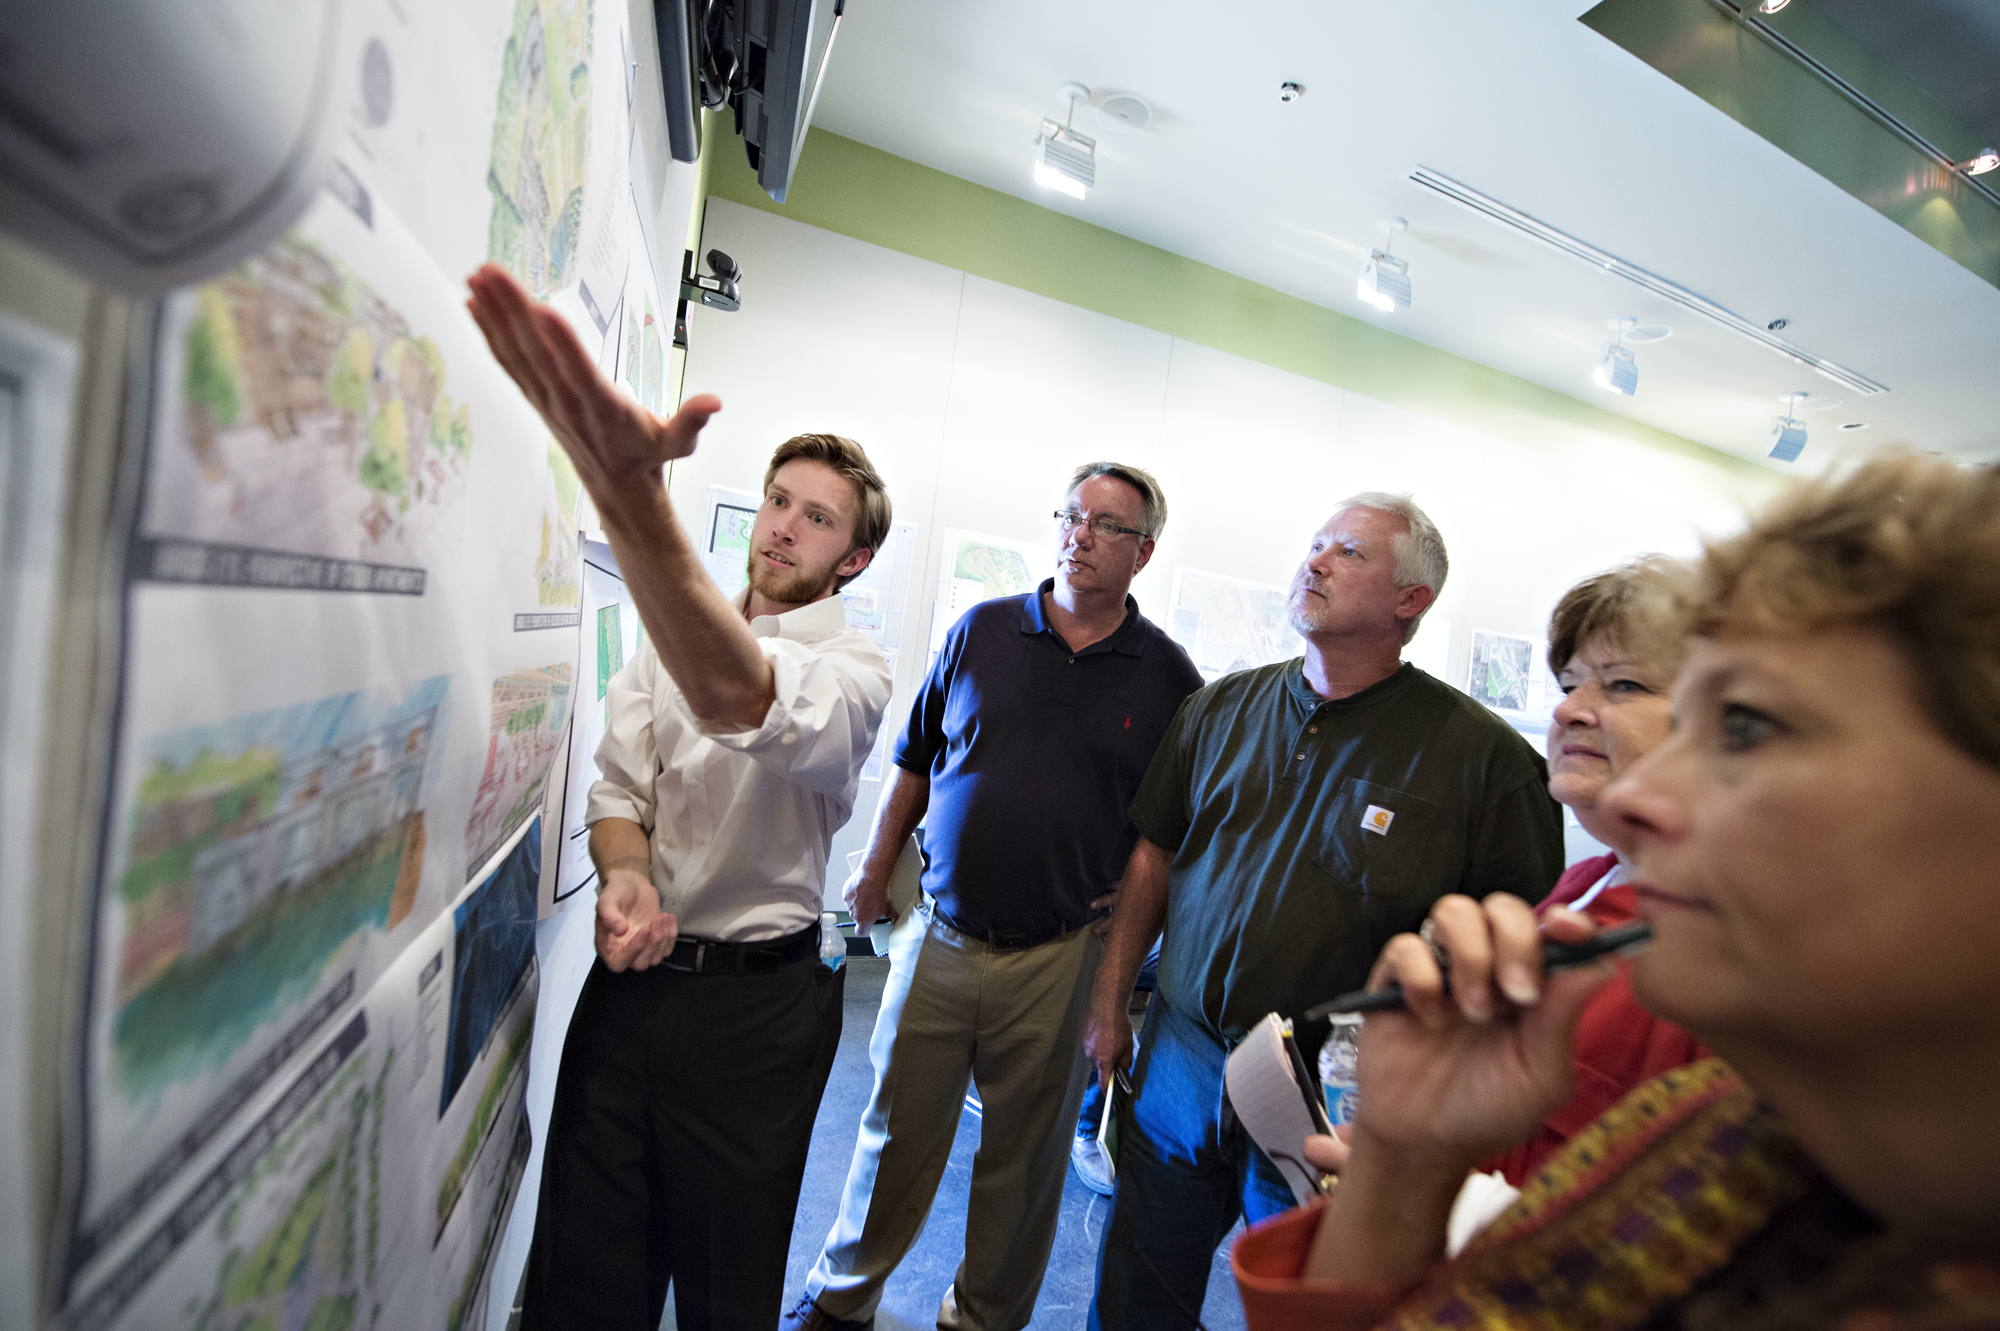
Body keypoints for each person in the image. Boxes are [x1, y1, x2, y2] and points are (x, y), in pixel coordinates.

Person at [1233, 452, 2000, 1328]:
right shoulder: (1727, 1141)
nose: (1638, 797)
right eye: (1572, 687)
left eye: (1746, 726)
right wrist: (1403, 1171)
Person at [464, 265, 895, 1331]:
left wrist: (625, 493)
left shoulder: (855, 668)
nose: (785, 527)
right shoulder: (678, 613)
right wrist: (623, 878)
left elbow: (737, 690)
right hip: (633, 991)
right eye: (780, 501)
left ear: (855, 556)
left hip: (758, 1012)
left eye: (819, 518)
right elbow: (617, 791)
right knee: (583, 1280)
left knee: (723, 1289)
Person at [1084, 493, 1568, 1329]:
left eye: (1348, 552)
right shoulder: (1220, 708)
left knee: (1318, 1307)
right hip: (1182, 1059)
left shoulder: (1483, 763)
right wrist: (1108, 1003)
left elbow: (1512, 959)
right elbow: (1153, 856)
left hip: (1328, 1095)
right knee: (1136, 1294)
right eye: (1315, 544)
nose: (1314, 562)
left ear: (1411, 600)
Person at [784, 463, 1204, 1331]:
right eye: (1071, 515)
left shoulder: (1168, 679)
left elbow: (1160, 844)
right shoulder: (981, 631)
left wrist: (1112, 986)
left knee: (1025, 1160)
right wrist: (872, 865)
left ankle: (982, 1317)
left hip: (1059, 953)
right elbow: (914, 758)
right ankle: (842, 1294)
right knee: (893, 1130)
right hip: (937, 934)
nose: (1078, 534)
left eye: (1105, 525)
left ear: (1144, 551)